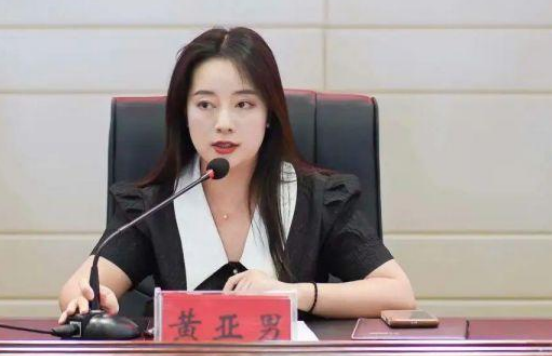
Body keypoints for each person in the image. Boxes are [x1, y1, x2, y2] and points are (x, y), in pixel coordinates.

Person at [58, 27, 415, 324]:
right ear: (184, 114)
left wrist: (293, 293)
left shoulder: (318, 200)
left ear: (269, 114)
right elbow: (77, 289)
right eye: (205, 105)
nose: (223, 123)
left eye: (244, 104)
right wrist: (91, 299)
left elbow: (397, 292)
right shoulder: (155, 206)